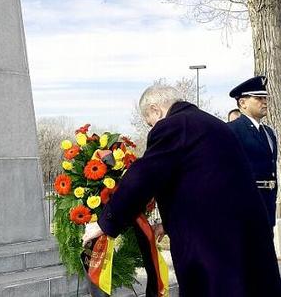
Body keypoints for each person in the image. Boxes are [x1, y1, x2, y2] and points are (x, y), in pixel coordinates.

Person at [82, 84, 281, 297]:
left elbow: (144, 176)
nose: (153, 128)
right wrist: (166, 224)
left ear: (155, 110)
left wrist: (106, 223)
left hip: (214, 248)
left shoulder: (174, 125)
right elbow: (204, 185)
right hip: (246, 241)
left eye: (150, 123)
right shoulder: (212, 124)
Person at [227, 76, 278, 228]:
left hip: (267, 205)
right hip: (244, 208)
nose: (264, 102)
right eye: (258, 98)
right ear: (242, 103)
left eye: (265, 97)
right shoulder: (231, 130)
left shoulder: (269, 132)